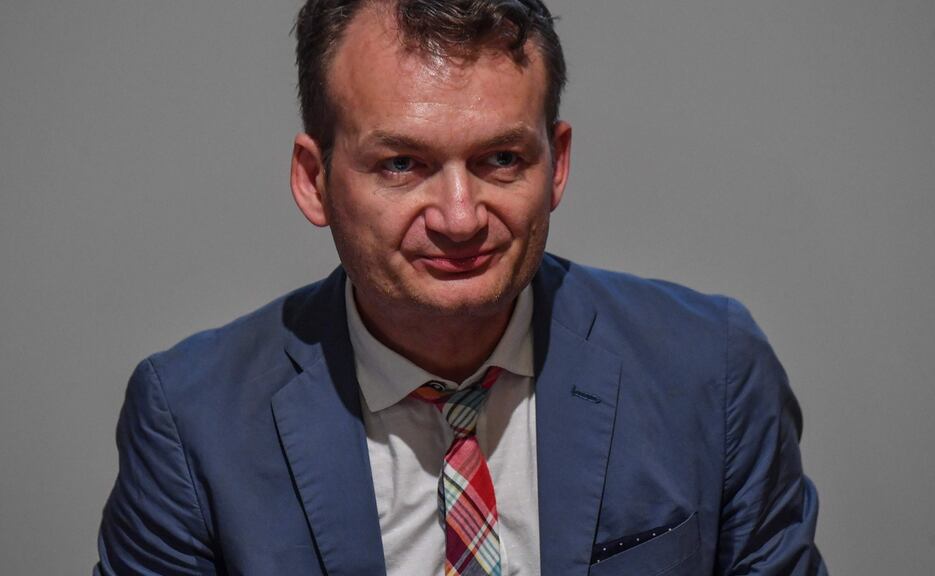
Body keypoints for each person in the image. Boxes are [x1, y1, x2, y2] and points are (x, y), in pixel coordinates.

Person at [95, 0, 827, 574]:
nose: (459, 217)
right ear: (314, 180)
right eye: (402, 165)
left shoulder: (711, 370)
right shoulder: (192, 421)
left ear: (558, 163)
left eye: (501, 158)